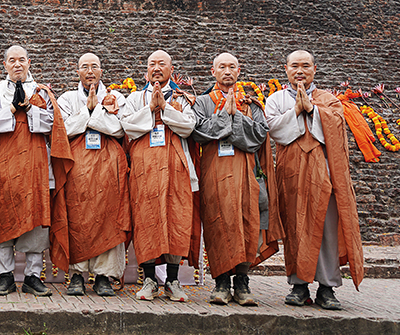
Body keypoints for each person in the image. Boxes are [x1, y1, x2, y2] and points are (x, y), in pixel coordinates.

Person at [266, 50, 364, 310]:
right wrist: (296, 111)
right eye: (294, 66)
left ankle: (327, 287)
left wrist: (313, 110)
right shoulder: (276, 99)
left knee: (326, 230)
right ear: (285, 69)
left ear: (314, 69)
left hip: (324, 174)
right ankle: (299, 286)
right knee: (296, 228)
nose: (300, 71)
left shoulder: (329, 100)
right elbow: (274, 130)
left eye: (305, 66)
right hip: (291, 173)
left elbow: (338, 130)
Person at [191, 53, 283, 306]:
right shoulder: (202, 102)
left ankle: (241, 282)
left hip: (246, 175)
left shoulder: (250, 103)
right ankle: (221, 282)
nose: (227, 71)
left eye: (232, 67)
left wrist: (237, 116)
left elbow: (260, 136)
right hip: (215, 175)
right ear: (213, 71)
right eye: (222, 67)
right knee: (217, 223)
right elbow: (197, 131)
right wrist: (224, 116)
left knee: (246, 222)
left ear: (239, 71)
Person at [0, 45, 71, 297]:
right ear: (5, 65)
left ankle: (32, 276)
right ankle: (5, 276)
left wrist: (29, 108)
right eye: (12, 60)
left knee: (36, 220)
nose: (17, 64)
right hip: (6, 165)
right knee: (5, 216)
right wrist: (11, 108)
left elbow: (53, 123)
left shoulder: (41, 91)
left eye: (21, 60)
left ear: (29, 62)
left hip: (35, 167)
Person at [121, 50, 199, 302]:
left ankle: (173, 281)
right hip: (145, 169)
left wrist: (164, 108)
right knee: (146, 220)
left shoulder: (181, 98)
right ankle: (149, 280)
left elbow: (188, 126)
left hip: (176, 168)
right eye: (152, 64)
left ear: (171, 69)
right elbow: (128, 126)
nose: (157, 68)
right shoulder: (135, 97)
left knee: (176, 218)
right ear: (146, 70)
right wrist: (150, 110)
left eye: (161, 64)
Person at [53, 53, 130, 297]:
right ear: (77, 71)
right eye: (84, 66)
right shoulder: (66, 99)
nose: (89, 71)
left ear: (101, 71)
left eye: (94, 66)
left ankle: (104, 277)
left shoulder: (116, 97)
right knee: (77, 216)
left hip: (109, 167)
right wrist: (91, 113)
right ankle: (77, 275)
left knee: (108, 216)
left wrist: (92, 115)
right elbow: (63, 130)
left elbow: (120, 129)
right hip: (76, 167)